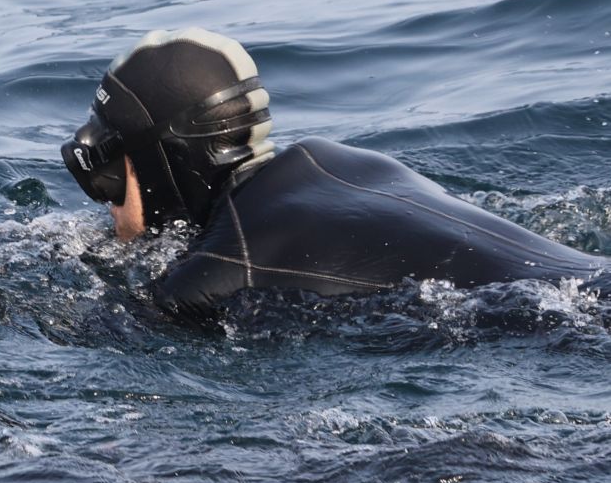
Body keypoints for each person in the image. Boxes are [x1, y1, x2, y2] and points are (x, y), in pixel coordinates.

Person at [61, 27, 610, 323]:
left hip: (568, 330)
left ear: (164, 167)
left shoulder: (216, 270)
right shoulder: (336, 159)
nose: (105, 204)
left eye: (109, 177)